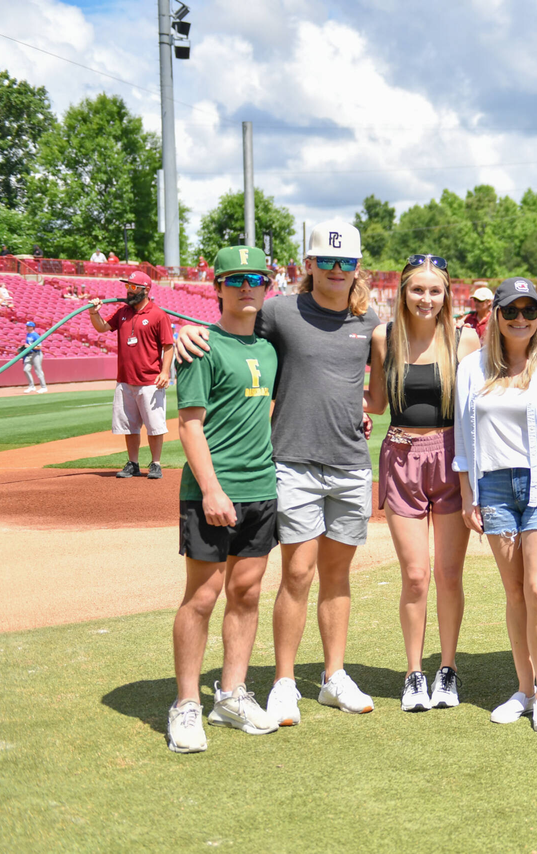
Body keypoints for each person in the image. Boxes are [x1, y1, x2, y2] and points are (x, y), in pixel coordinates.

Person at [176, 220, 381, 725]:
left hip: (351, 466)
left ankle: (333, 677)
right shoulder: (279, 311)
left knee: (336, 578)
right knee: (295, 574)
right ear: (308, 265)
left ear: (357, 268)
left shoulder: (369, 320)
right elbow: (232, 331)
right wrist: (188, 329)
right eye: (326, 261)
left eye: (346, 262)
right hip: (291, 464)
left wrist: (361, 407)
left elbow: (369, 390)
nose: (336, 270)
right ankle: (284, 682)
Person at [454, 276, 537, 733]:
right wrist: (468, 496)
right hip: (493, 487)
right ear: (496, 315)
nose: (520, 319)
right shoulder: (472, 368)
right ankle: (524, 688)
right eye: (510, 310)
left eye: (529, 311)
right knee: (515, 593)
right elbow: (463, 441)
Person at [167, 244, 280, 754]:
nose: (245, 287)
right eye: (234, 279)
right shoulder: (199, 346)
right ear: (217, 288)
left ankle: (231, 694)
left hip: (262, 488)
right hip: (213, 491)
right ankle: (186, 703)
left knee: (248, 592)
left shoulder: (269, 347)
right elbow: (190, 425)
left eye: (254, 278)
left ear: (265, 285)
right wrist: (211, 489)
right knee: (203, 596)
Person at [365, 254, 480, 712]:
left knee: (449, 575)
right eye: (418, 289)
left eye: (435, 290)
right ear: (404, 292)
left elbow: (475, 407)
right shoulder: (384, 336)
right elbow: (374, 400)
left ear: (447, 294)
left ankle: (446, 670)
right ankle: (414, 673)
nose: (426, 298)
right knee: (414, 576)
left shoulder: (465, 339)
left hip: (452, 459)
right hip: (400, 456)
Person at [88, 271, 173, 477]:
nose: (129, 290)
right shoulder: (123, 312)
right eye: (128, 286)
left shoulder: (158, 314)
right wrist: (93, 313)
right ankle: (133, 463)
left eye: (133, 287)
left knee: (154, 426)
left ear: (146, 290)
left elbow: (168, 345)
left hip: (150, 380)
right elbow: (102, 327)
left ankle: (156, 464)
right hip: (125, 379)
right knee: (129, 426)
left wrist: (165, 372)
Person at [21, 321, 47, 394]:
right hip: (29, 354)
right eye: (26, 326)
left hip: (36, 354)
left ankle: (43, 387)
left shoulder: (35, 335)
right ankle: (31, 386)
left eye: (28, 326)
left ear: (32, 327)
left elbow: (39, 347)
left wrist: (29, 347)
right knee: (26, 369)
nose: (26, 327)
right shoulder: (28, 334)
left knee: (38, 370)